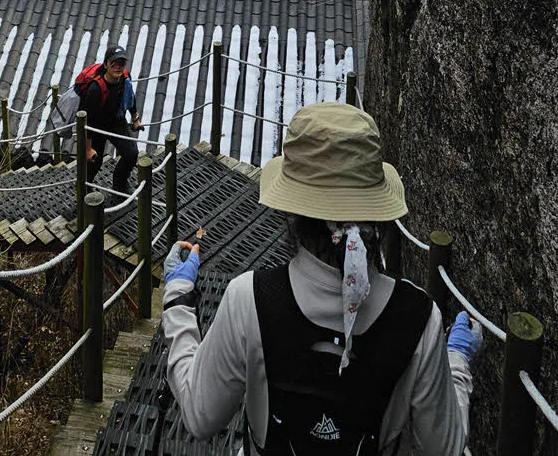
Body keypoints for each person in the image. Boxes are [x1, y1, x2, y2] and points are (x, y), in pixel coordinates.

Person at [161, 103, 479, 456]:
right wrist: (456, 363)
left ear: (293, 212)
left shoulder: (248, 298)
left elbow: (200, 415)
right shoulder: (420, 318)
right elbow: (445, 448)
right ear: (375, 214)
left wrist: (178, 298)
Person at [78, 44, 142, 193]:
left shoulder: (125, 77)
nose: (118, 67)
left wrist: (135, 118)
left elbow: (130, 98)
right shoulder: (95, 88)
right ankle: (84, 192)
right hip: (95, 127)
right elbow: (89, 121)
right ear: (106, 64)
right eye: (114, 63)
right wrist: (88, 149)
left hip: (115, 120)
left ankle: (119, 184)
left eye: (122, 63)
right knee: (94, 162)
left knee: (131, 154)